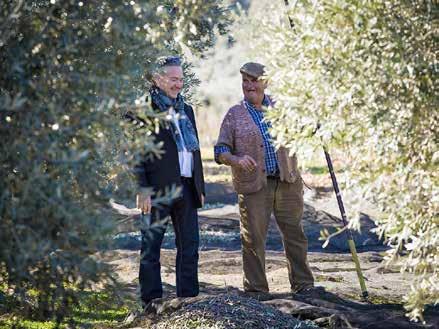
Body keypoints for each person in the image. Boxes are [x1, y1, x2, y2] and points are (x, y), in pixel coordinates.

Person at [214, 62, 314, 295]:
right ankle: (256, 290)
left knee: (295, 236)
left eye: (254, 80)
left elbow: (306, 131)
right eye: (245, 81)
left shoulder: (283, 110)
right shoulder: (234, 114)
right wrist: (236, 160)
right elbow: (220, 151)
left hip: (288, 182)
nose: (249, 86)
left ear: (265, 82)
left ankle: (304, 285)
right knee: (253, 240)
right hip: (254, 187)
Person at [130, 56, 205, 308]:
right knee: (151, 247)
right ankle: (151, 300)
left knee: (190, 245)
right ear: (157, 79)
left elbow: (194, 151)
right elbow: (136, 152)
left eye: (181, 79)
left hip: (186, 186)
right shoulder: (143, 108)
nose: (179, 84)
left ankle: (188, 298)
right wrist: (142, 189)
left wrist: (200, 185)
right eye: (174, 79)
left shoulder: (187, 109)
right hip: (157, 189)